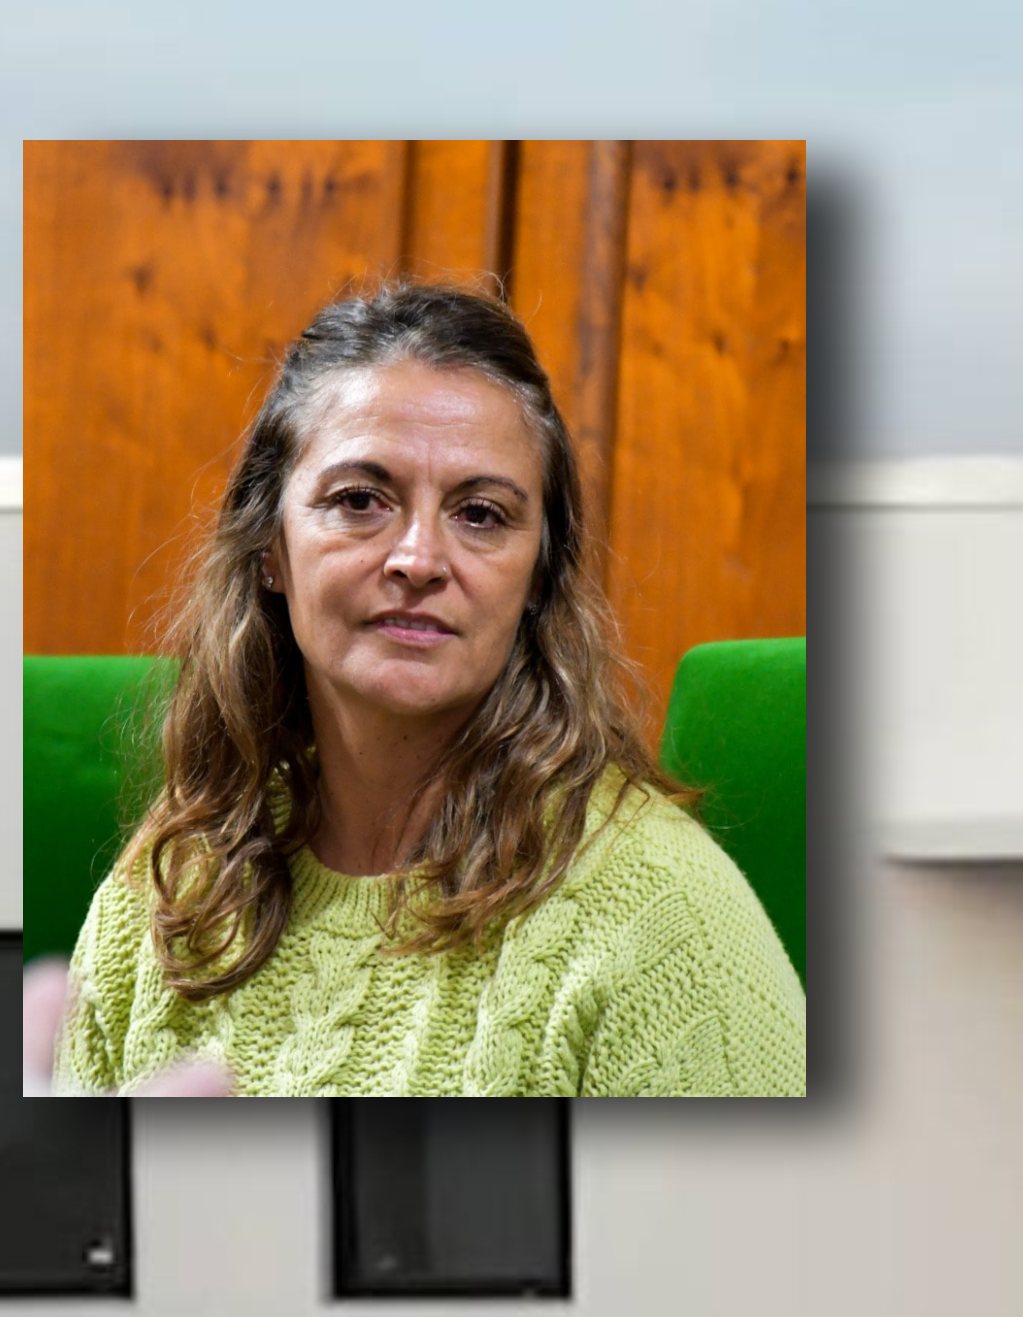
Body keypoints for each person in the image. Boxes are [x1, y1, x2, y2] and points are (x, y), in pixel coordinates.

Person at [52, 280, 805, 1098]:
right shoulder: (169, 890)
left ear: (537, 579)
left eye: (481, 514)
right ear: (269, 546)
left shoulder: (666, 918)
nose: (418, 559)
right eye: (360, 500)